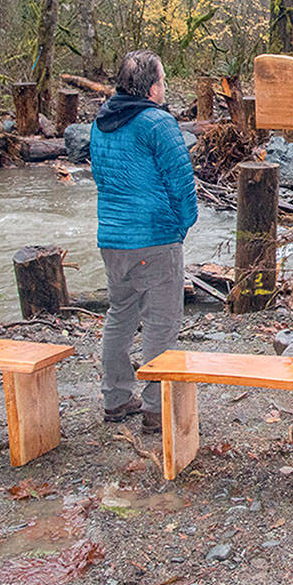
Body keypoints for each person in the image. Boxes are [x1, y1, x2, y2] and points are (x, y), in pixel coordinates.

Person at [89, 50, 198, 433]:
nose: (164, 86)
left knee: (120, 315)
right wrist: (182, 226)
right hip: (154, 237)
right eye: (163, 80)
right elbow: (182, 184)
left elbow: (101, 178)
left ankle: (116, 398)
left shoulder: (100, 122)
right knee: (161, 324)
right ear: (152, 89)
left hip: (112, 239)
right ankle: (156, 409)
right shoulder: (158, 123)